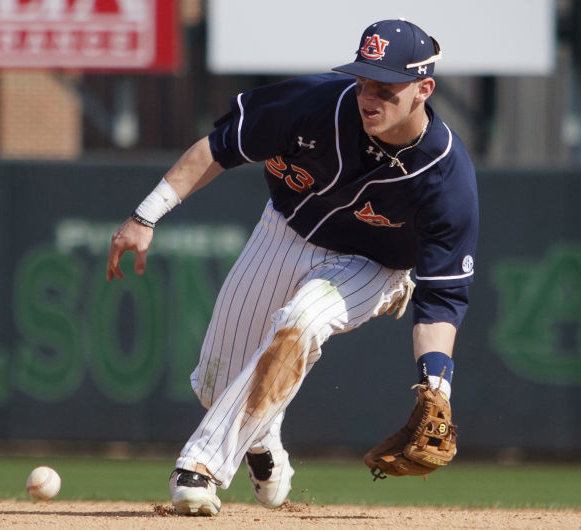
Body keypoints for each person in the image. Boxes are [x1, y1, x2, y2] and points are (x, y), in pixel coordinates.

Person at [107, 18, 478, 516]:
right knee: (217, 386)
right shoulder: (314, 104)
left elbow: (442, 298)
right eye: (363, 79)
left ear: (422, 90)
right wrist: (144, 215)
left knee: (301, 322)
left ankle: (200, 469)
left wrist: (437, 387)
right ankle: (265, 442)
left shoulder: (446, 178)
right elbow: (220, 148)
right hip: (282, 232)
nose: (369, 95)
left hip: (373, 267)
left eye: (386, 87)